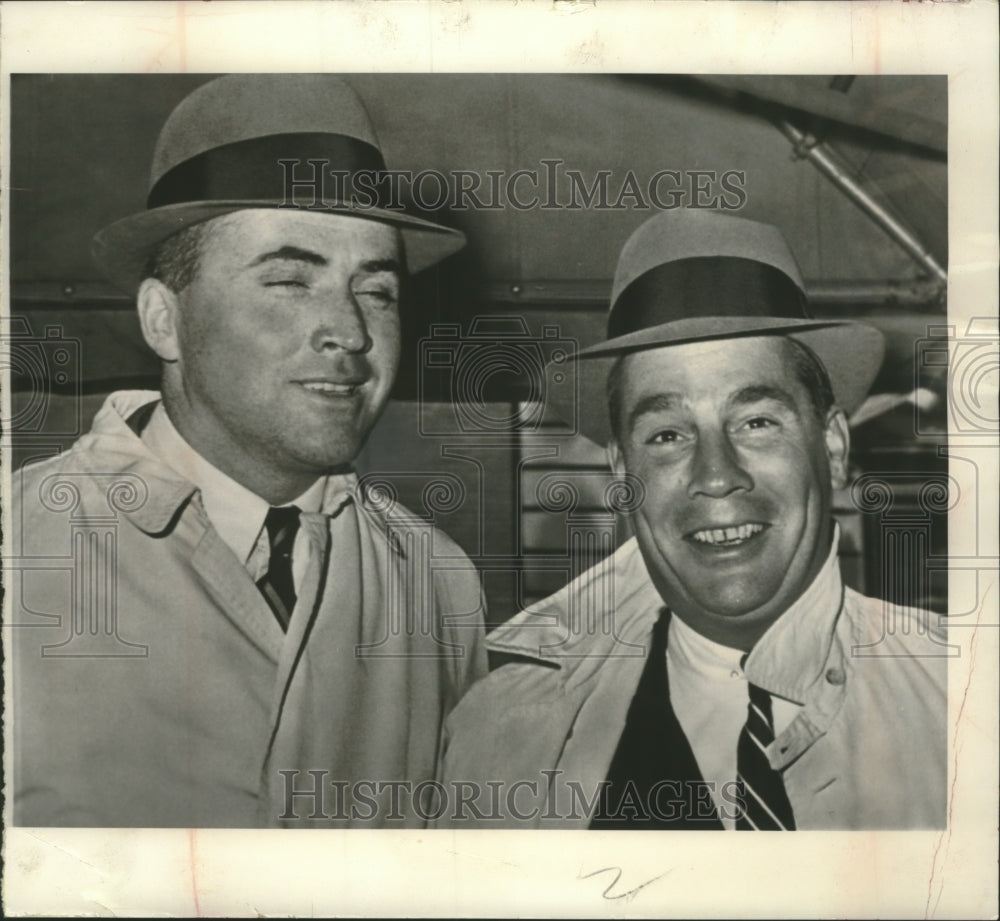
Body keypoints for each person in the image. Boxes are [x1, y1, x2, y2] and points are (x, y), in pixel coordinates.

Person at [10, 74, 486, 827]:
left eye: (377, 291)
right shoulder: (21, 550)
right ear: (164, 321)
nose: (351, 332)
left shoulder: (437, 585)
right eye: (290, 280)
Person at [436, 210, 947, 830]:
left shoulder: (965, 700)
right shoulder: (503, 738)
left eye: (756, 422)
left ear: (833, 447)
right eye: (668, 434)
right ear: (623, 475)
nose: (716, 474)